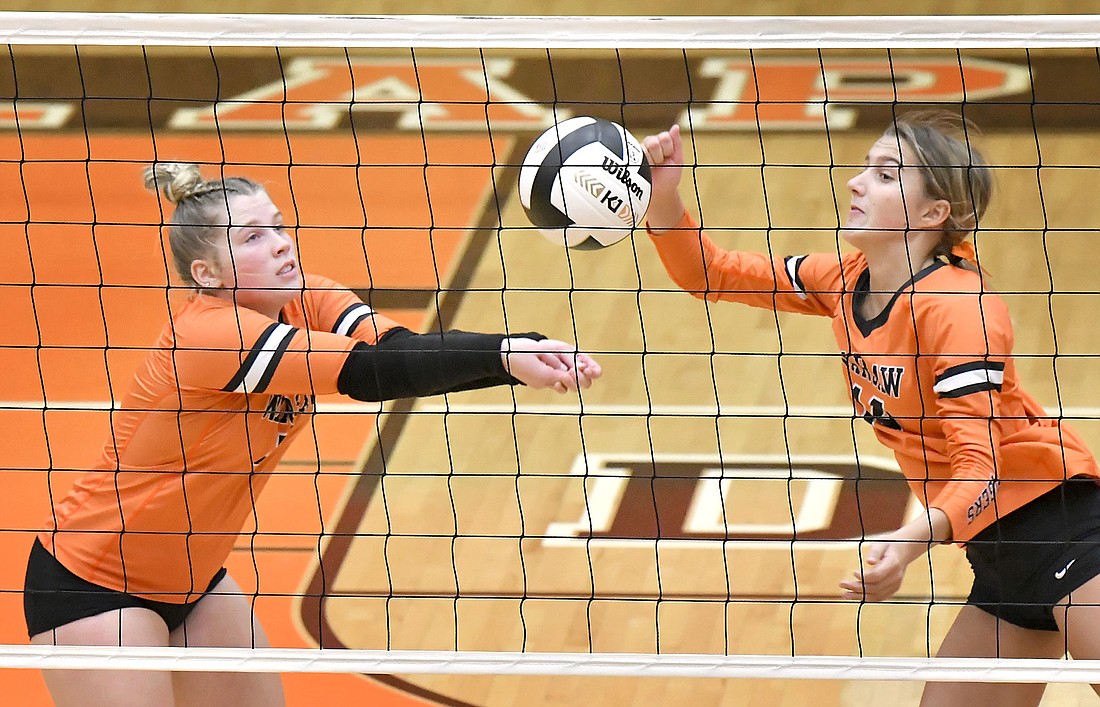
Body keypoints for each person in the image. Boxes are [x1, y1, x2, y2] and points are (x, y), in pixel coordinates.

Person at [24, 163, 602, 707]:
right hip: (96, 580)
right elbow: (368, 375)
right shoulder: (209, 336)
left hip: (195, 578)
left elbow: (398, 353)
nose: (279, 242)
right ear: (207, 275)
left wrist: (517, 353)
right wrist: (504, 353)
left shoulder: (307, 298)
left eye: (277, 226)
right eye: (251, 237)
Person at [642, 113, 1100, 705]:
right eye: (866, 167)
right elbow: (712, 273)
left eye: (885, 174)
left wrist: (907, 543)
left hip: (1071, 536)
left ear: (934, 215)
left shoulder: (958, 310)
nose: (857, 182)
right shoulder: (845, 279)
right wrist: (664, 197)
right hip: (999, 558)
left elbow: (980, 468)